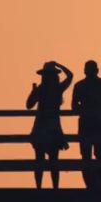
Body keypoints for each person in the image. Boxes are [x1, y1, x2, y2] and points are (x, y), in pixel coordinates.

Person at [27, 61, 73, 189]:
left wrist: (33, 93)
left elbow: (29, 105)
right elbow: (70, 76)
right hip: (53, 129)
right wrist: (60, 65)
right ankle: (55, 188)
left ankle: (39, 188)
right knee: (53, 162)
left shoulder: (41, 89)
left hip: (40, 129)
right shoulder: (57, 89)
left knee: (39, 161)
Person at [72, 60, 101, 190]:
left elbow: (73, 107)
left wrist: (84, 110)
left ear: (85, 71)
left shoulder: (80, 86)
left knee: (87, 157)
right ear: (97, 70)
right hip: (98, 124)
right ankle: (99, 185)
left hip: (86, 125)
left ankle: (90, 186)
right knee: (99, 156)